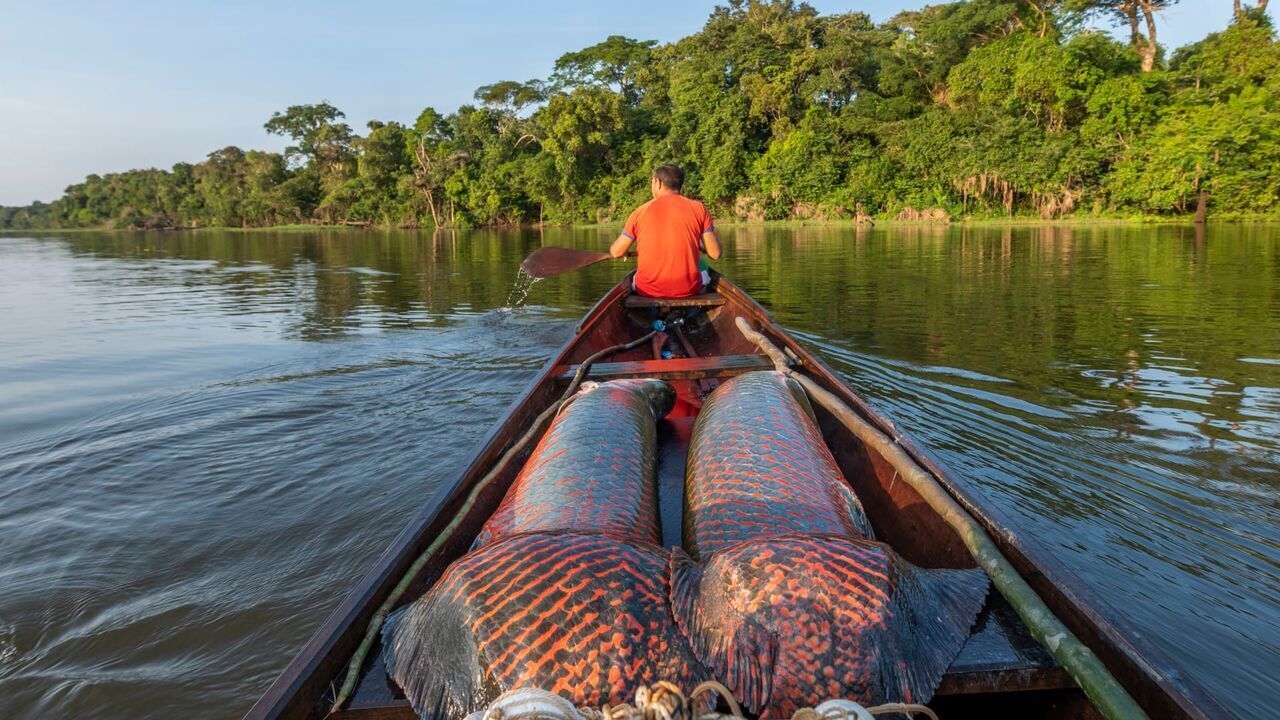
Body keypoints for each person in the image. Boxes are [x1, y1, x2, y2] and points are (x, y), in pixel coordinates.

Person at [610, 164, 721, 298]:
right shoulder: (699, 209)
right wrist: (702, 246)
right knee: (703, 267)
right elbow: (715, 254)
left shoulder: (639, 212)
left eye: (652, 182)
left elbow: (616, 252)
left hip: (647, 291)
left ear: (658, 183)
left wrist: (625, 252)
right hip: (689, 290)